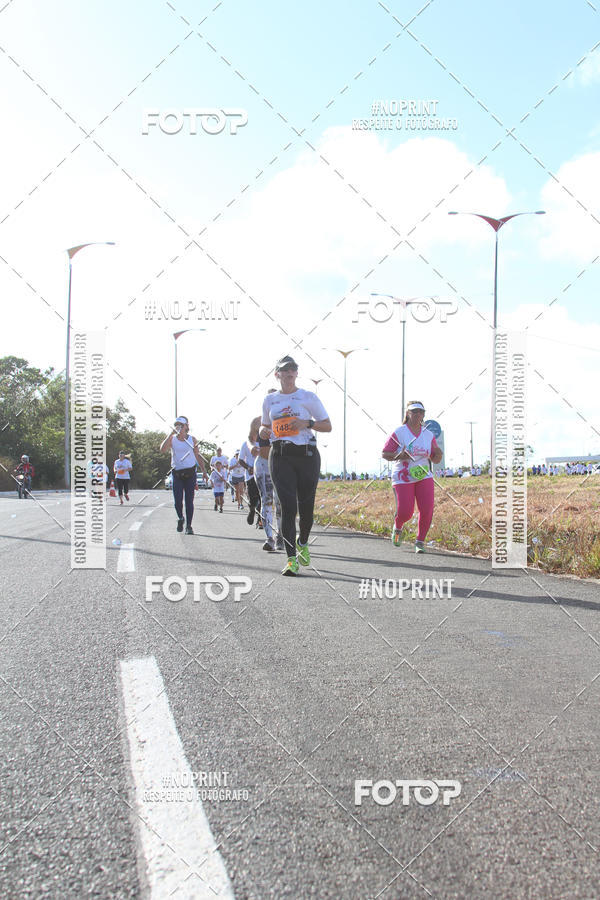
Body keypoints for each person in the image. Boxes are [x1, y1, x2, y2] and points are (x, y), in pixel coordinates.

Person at [260, 355, 331, 576]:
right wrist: (263, 431)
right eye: (285, 370)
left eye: (293, 370)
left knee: (306, 510)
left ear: (297, 374)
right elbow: (265, 426)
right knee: (288, 507)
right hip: (280, 456)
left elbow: (327, 426)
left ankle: (303, 542)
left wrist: (306, 423)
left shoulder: (307, 397)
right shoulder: (269, 400)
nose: (289, 373)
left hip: (307, 455)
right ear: (277, 374)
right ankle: (291, 559)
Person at [382, 400, 443, 553]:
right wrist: (399, 455)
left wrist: (438, 455)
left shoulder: (428, 434)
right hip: (403, 476)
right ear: (408, 414)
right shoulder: (400, 432)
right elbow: (385, 453)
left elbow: (436, 457)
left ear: (424, 415)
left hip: (423, 475)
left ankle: (420, 542)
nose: (417, 414)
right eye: (414, 411)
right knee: (405, 512)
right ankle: (398, 526)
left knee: (427, 509)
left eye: (420, 412)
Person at [160, 415, 208, 534]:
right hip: (177, 473)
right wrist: (170, 433)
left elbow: (198, 456)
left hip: (190, 474)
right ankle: (181, 518)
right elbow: (162, 449)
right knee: (177, 501)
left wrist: (204, 471)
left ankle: (189, 526)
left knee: (189, 501)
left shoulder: (192, 440)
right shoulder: (172, 439)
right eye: (177, 425)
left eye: (181, 425)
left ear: (187, 426)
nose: (179, 427)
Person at [250, 413, 284, 551]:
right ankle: (269, 538)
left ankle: (280, 536)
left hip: (280, 464)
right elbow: (250, 438)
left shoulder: (285, 419)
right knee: (266, 501)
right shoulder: (257, 421)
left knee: (280, 502)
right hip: (263, 464)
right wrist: (251, 446)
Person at [239, 426, 262, 527]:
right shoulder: (246, 444)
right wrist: (248, 468)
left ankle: (260, 520)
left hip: (262, 474)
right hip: (250, 476)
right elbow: (240, 460)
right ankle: (252, 510)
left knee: (263, 498)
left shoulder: (265, 444)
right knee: (253, 499)